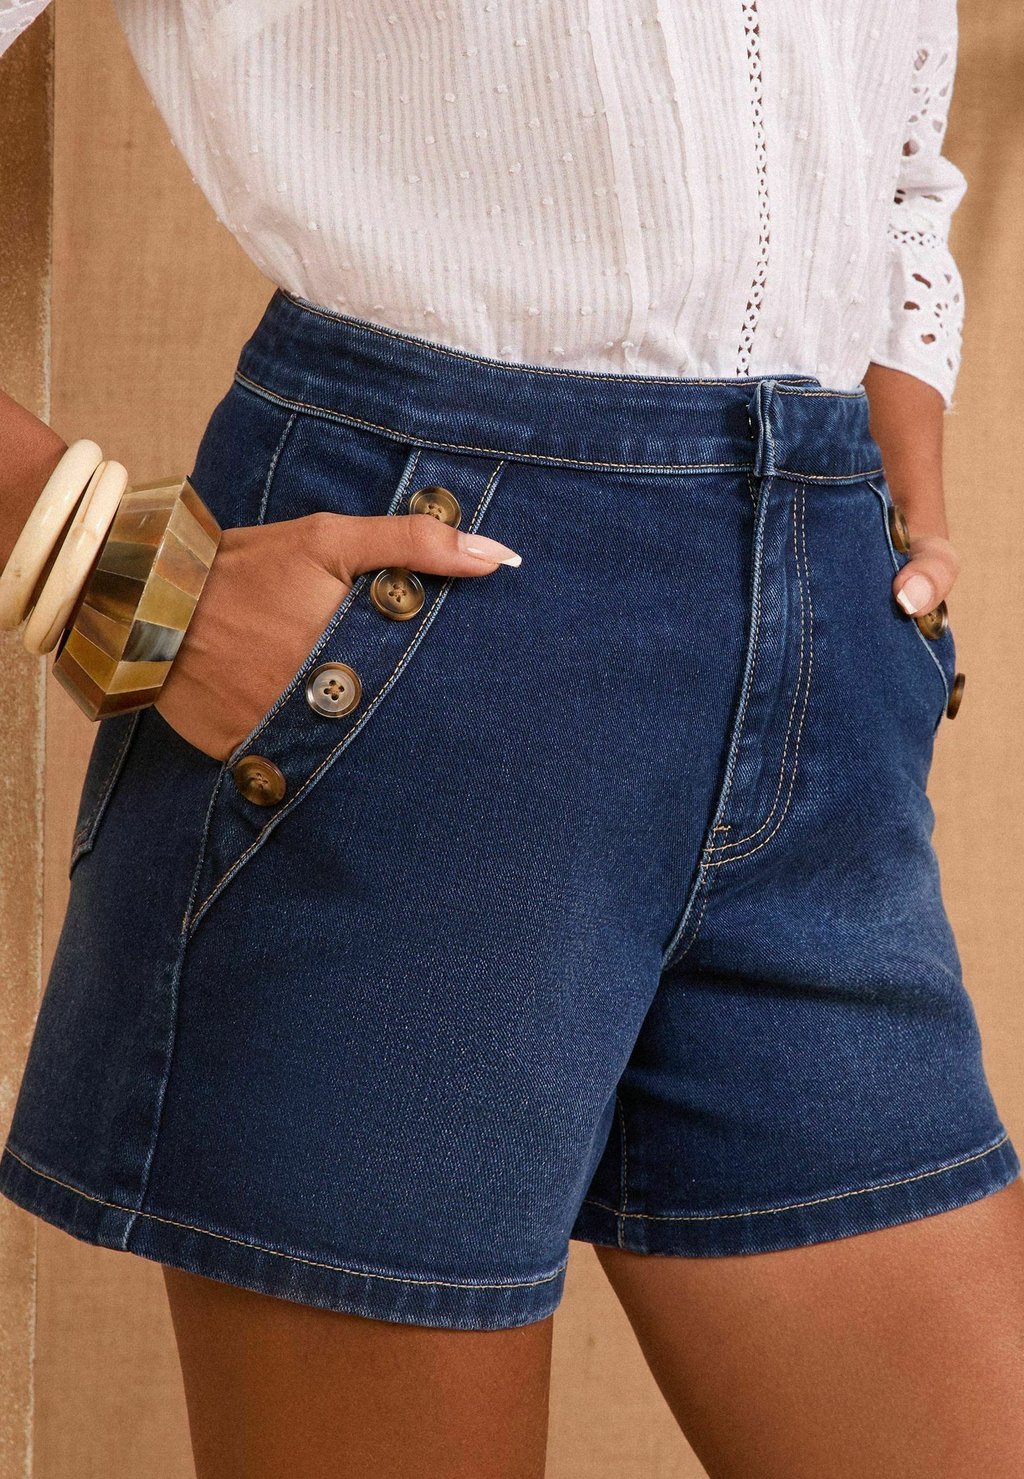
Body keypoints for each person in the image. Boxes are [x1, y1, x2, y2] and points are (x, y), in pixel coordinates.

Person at [2, 2, 1023, 1476]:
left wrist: (894, 482)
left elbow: (892, 142)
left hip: (821, 653)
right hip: (417, 638)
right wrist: (121, 580)